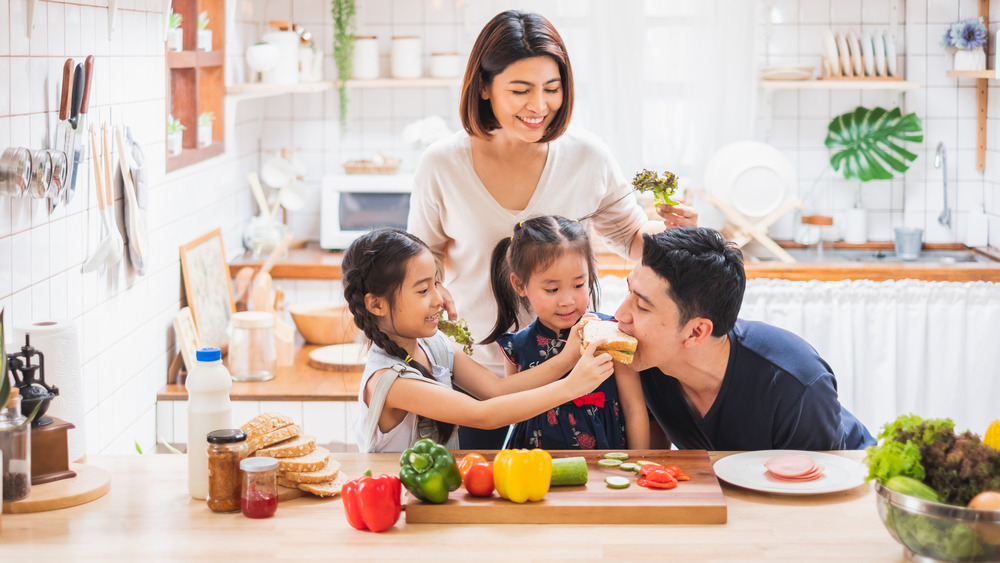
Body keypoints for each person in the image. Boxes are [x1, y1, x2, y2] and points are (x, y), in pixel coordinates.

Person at [407, 10, 696, 448]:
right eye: (520, 90)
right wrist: (432, 295)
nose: (539, 106)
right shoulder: (442, 164)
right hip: (481, 374)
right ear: (483, 87)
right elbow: (420, 265)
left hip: (582, 370)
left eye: (552, 88)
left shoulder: (587, 156)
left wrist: (678, 235)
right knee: (488, 504)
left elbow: (635, 241)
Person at [342, 227, 615, 453]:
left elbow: (496, 390)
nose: (439, 299)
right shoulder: (391, 382)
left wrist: (567, 358)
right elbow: (483, 414)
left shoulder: (433, 345)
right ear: (376, 305)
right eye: (423, 289)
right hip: (399, 505)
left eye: (437, 284)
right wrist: (572, 386)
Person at [613, 227, 876, 451]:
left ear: (696, 332)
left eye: (642, 306)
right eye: (628, 293)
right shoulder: (647, 358)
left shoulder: (794, 385)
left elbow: (821, 495)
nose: (620, 314)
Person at [483, 215, 648, 450]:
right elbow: (511, 410)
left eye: (579, 285)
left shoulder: (610, 334)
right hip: (535, 464)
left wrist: (638, 465)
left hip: (605, 461)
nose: (567, 301)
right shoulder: (517, 347)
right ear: (520, 285)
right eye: (552, 289)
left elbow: (634, 408)